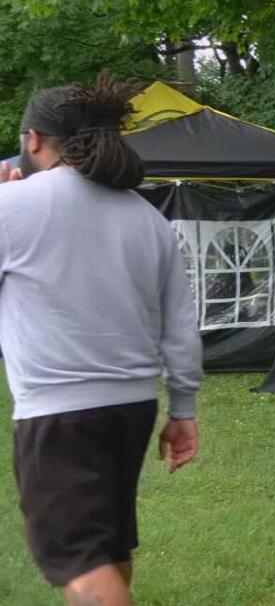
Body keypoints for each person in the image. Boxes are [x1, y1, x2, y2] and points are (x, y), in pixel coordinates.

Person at [0, 73, 202, 606]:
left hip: (59, 414)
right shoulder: (145, 216)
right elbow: (180, 323)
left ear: (33, 140)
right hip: (132, 407)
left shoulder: (10, 206)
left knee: (80, 558)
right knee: (108, 543)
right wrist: (183, 409)